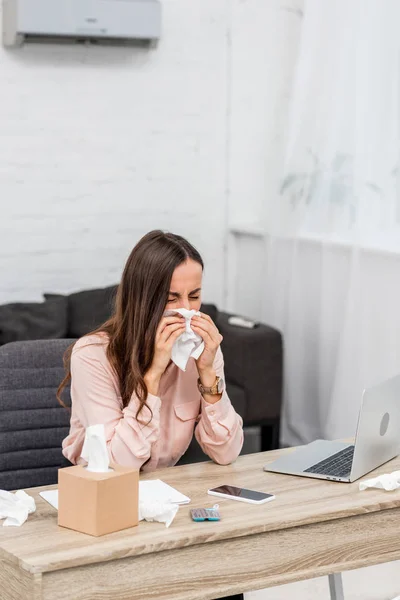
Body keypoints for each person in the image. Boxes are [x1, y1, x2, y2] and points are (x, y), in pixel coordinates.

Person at [58, 230, 244, 600]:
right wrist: (153, 377)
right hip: (99, 508)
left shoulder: (200, 354)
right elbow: (117, 466)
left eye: (195, 295)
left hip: (160, 505)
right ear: (144, 298)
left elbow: (226, 452)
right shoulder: (92, 356)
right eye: (171, 298)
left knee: (226, 577)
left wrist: (208, 373)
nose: (187, 311)